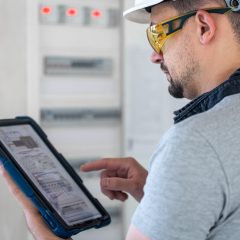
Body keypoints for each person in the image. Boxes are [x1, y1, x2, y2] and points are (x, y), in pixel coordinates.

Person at [1, 0, 240, 239]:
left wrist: (38, 225)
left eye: (157, 33)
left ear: (204, 27)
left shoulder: (195, 144)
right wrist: (162, 195)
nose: (155, 56)